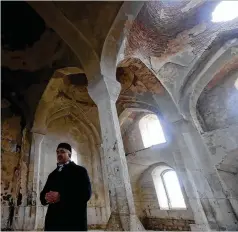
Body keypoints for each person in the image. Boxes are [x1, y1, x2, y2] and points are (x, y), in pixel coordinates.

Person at [40, 143, 91, 231]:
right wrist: (46, 197)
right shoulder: (52, 175)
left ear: (70, 154)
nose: (59, 154)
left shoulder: (80, 171)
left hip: (73, 222)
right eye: (57, 152)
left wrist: (61, 196)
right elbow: (43, 195)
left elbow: (86, 194)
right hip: (53, 223)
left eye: (62, 152)